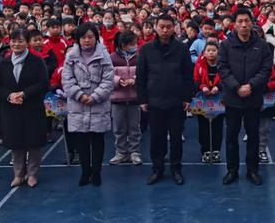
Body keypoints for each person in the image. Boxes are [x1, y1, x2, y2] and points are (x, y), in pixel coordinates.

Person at [136, 13, 193, 186]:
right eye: (161, 26)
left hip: (176, 102)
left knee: (176, 138)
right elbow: (141, 76)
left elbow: (188, 75)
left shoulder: (182, 49)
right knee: (157, 138)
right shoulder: (146, 49)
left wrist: (187, 98)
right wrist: (143, 99)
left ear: (174, 28)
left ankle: (176, 168)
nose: (165, 30)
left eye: (169, 27)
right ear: (155, 27)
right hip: (154, 102)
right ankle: (157, 169)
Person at [218, 8, 272, 186]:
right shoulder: (226, 45)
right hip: (233, 98)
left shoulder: (262, 45)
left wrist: (251, 86)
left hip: (253, 97)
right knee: (231, 137)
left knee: (253, 137)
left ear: (251, 22)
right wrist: (236, 87)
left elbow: (266, 70)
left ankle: (252, 170)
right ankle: (232, 170)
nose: (243, 24)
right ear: (234, 24)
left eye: (246, 21)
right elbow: (223, 68)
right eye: (240, 21)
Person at [0, 28, 48, 188]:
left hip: (32, 108)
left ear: (27, 43)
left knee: (33, 143)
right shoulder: (3, 64)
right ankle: (18, 174)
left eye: (20, 41)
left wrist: (24, 94)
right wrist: (10, 96)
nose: (16, 44)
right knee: (16, 144)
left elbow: (43, 84)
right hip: (11, 110)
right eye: (14, 41)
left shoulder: (37, 62)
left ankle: (32, 174)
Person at [61, 22, 114, 187]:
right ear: (78, 39)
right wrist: (80, 95)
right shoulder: (71, 56)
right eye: (83, 37)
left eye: (90, 37)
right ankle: (85, 171)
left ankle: (97, 172)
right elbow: (67, 79)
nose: (86, 40)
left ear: (96, 38)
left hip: (98, 104)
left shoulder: (104, 55)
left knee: (98, 140)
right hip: (78, 105)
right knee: (81, 142)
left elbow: (108, 79)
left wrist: (96, 96)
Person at [109, 30, 142, 165]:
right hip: (117, 99)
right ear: (124, 45)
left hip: (134, 99)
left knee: (134, 127)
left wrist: (135, 80)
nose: (135, 46)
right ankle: (121, 152)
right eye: (132, 44)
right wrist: (118, 80)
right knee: (118, 128)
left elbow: (144, 73)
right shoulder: (112, 58)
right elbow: (107, 75)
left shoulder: (139, 57)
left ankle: (135, 152)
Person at [193, 41, 224, 163]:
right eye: (208, 50)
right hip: (203, 99)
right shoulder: (199, 65)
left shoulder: (223, 65)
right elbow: (195, 81)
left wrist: (218, 87)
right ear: (204, 53)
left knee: (218, 126)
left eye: (214, 50)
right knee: (203, 126)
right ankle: (205, 151)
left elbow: (226, 78)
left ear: (218, 52)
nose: (211, 53)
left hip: (219, 100)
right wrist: (202, 87)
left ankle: (216, 151)